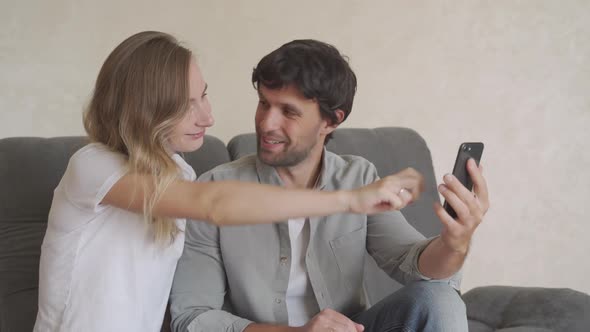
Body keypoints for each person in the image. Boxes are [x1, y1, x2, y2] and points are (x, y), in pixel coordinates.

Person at [32, 32, 425, 332]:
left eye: (204, 96)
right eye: (189, 104)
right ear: (147, 107)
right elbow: (214, 205)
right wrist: (349, 201)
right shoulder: (93, 168)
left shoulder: (181, 174)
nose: (208, 117)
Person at [170, 39, 489, 332]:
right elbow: (192, 316)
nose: (267, 123)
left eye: (288, 111)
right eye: (264, 103)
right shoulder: (215, 188)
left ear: (332, 120)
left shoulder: (358, 178)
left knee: (440, 298)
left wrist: (454, 243)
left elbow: (413, 263)